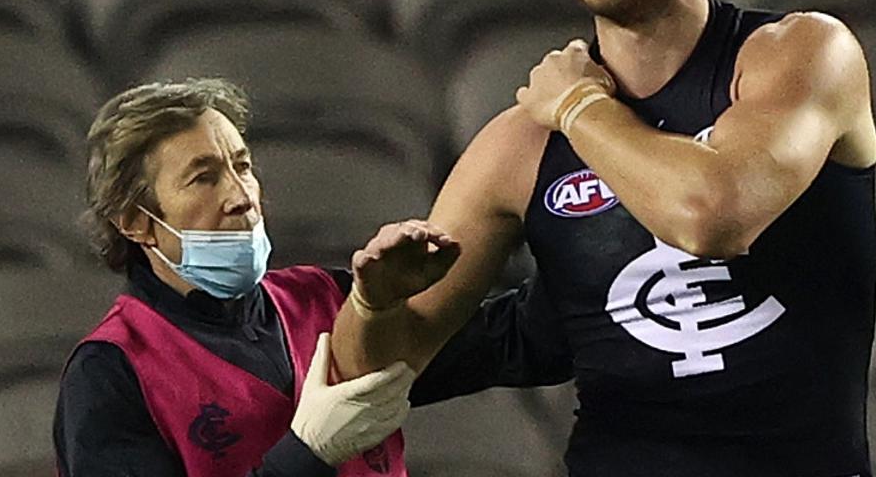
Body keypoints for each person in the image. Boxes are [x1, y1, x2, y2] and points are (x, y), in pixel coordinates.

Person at [333, 0, 876, 477]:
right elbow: (368, 377)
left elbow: (712, 218)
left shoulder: (796, 53)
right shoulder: (519, 144)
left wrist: (578, 109)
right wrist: (374, 303)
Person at [54, 78, 571, 477]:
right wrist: (307, 454)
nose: (242, 195)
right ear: (136, 222)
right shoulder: (111, 373)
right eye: (204, 177)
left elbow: (519, 344)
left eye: (242, 166)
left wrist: (595, 240)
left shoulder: (329, 300)